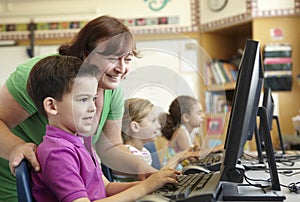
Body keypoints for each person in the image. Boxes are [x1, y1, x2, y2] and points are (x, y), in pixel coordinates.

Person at [0, 15, 156, 201]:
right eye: (112, 58)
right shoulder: (43, 75)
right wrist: (16, 148)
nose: (121, 68)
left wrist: (142, 169)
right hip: (16, 188)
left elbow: (111, 147)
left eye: (128, 59)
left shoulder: (111, 90)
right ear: (85, 53)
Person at [26, 55, 179, 202]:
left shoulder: (81, 141)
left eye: (93, 99)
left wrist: (154, 183)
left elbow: (105, 187)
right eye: (83, 99)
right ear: (52, 106)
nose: (93, 107)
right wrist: (145, 187)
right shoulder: (58, 153)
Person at [111, 98, 202, 182]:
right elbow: (154, 180)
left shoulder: (143, 151)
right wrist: (177, 158)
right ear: (135, 127)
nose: (159, 126)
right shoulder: (129, 154)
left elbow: (155, 178)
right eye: (153, 120)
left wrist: (178, 157)